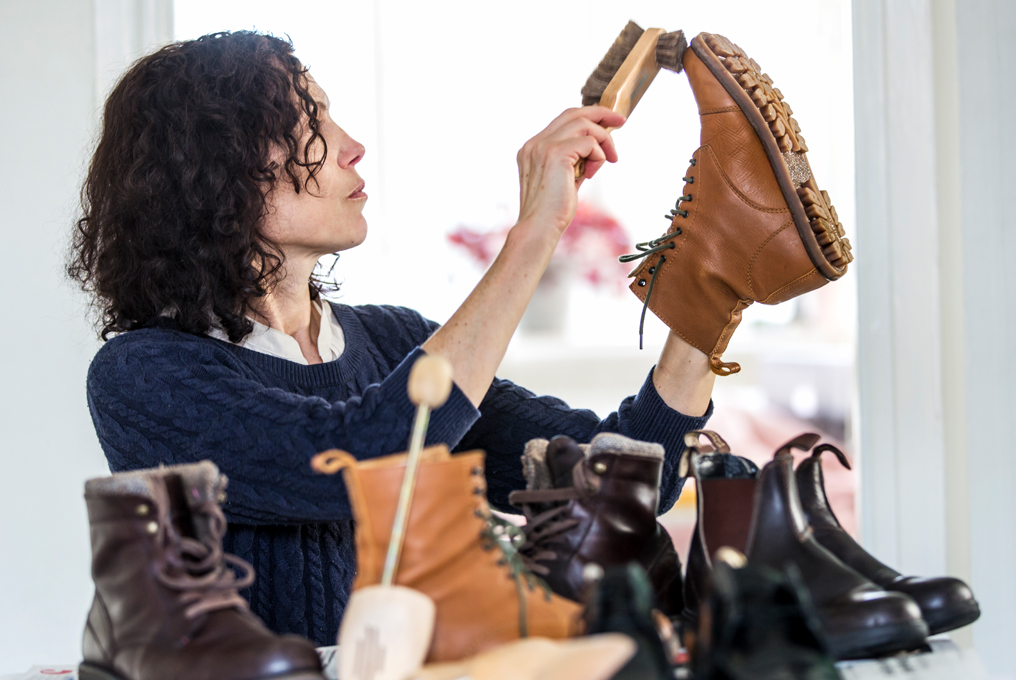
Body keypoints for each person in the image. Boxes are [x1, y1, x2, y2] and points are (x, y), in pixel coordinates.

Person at [70, 31, 715, 646]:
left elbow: (621, 485)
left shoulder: (392, 341)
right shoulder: (144, 375)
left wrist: (714, 300)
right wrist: (533, 236)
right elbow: (360, 457)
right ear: (211, 167)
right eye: (306, 121)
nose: (351, 146)